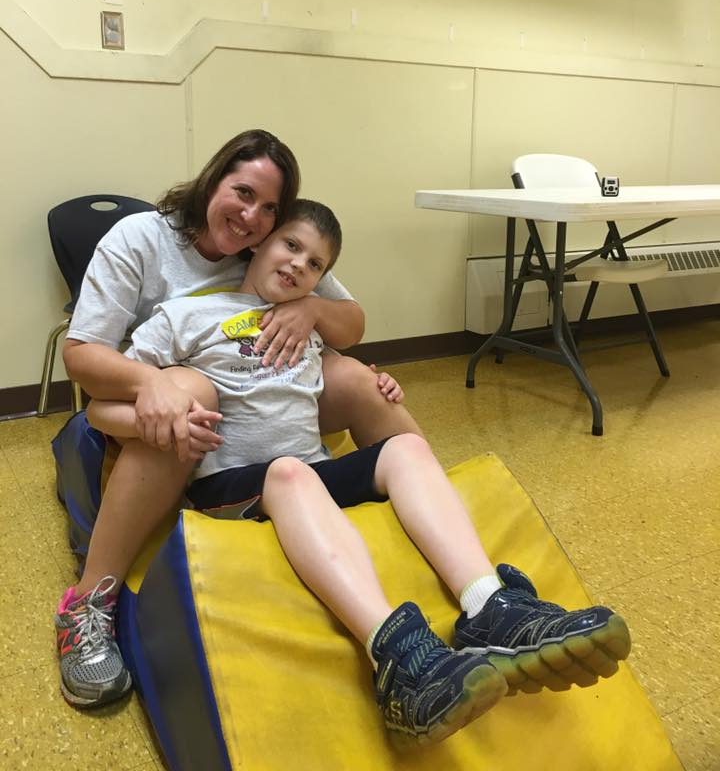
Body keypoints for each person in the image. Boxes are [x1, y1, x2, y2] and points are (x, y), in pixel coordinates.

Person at [76, 199, 632, 748]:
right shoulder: (185, 316)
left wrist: (376, 382)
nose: (298, 265)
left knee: (406, 450)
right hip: (232, 483)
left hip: (309, 472)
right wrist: (157, 420)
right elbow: (97, 407)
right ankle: (398, 658)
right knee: (293, 473)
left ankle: (491, 604)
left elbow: (345, 356)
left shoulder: (306, 319)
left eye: (315, 263)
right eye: (290, 245)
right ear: (259, 243)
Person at [55, 130, 416, 709]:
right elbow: (82, 357)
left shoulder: (274, 248)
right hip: (156, 408)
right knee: (191, 388)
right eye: (242, 192)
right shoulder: (141, 239)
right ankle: (88, 606)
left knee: (352, 373)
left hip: (267, 399)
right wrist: (153, 385)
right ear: (213, 180)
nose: (251, 217)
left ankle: (441, 527)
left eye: (269, 208)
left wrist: (312, 308)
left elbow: (351, 324)